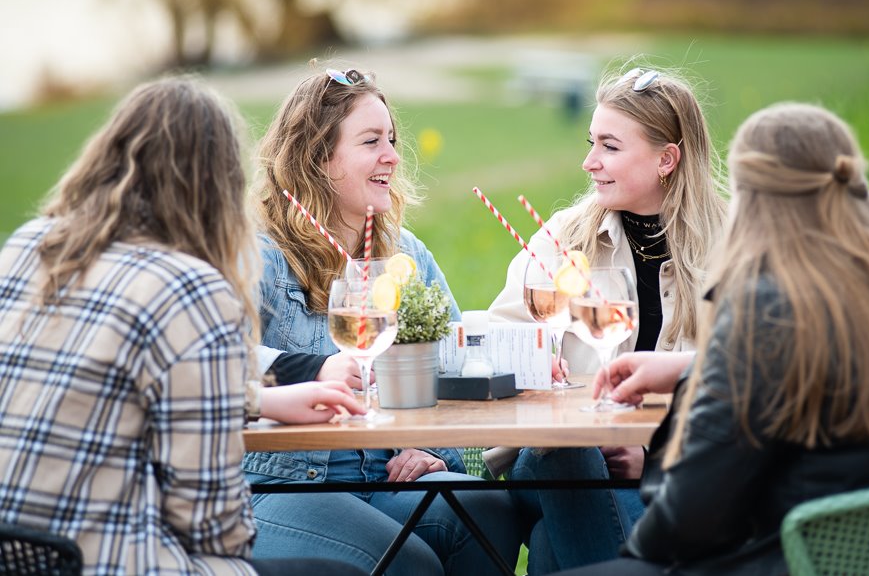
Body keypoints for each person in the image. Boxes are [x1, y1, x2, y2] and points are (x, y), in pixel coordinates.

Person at [554, 102, 869, 575]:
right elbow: (830, 365)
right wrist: (694, 368)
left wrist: (642, 528)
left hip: (787, 556)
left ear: (751, 198)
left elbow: (689, 514)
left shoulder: (767, 307)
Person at [0, 77, 367, 575]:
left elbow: (102, 381)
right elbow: (212, 525)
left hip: (16, 554)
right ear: (218, 187)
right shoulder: (191, 288)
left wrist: (257, 399)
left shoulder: (29, 245)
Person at [242, 65, 521, 576]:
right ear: (319, 158)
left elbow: (455, 371)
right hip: (279, 486)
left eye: (391, 139)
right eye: (372, 141)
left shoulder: (406, 255)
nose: (392, 155)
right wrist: (310, 369)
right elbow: (213, 362)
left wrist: (431, 448)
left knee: (488, 512)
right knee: (408, 561)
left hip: (385, 477)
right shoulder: (259, 255)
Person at [488, 65, 726, 573]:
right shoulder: (563, 238)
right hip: (554, 459)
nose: (589, 162)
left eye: (610, 147)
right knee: (569, 455)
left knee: (553, 545)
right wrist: (537, 369)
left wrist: (655, 457)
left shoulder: (734, 247)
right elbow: (496, 345)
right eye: (591, 142)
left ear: (667, 159)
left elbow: (749, 382)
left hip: (680, 469)